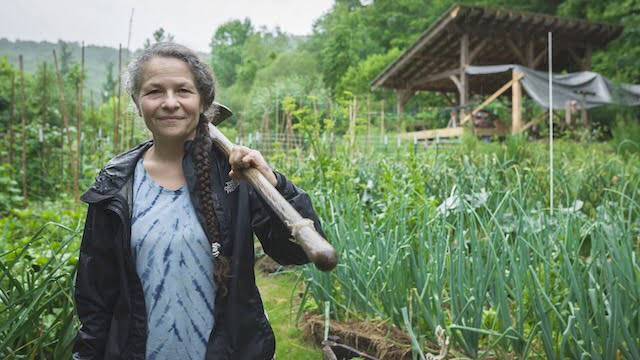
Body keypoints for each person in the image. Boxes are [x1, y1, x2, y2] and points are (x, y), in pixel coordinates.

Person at [73, 42, 325, 360]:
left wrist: (272, 181)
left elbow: (298, 251)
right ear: (137, 103)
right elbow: (95, 291)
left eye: (183, 91)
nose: (169, 103)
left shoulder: (236, 176)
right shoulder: (116, 181)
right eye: (154, 92)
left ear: (203, 101)